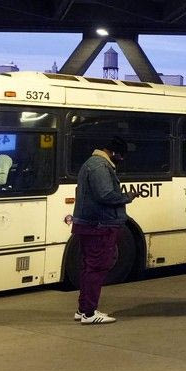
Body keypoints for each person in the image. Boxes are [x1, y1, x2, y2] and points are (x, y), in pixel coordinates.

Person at [72, 135, 131, 324]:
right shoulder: (100, 166)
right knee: (97, 267)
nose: (120, 160)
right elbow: (105, 194)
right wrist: (126, 197)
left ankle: (83, 310)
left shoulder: (92, 163)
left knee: (88, 267)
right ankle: (89, 313)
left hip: (90, 224)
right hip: (99, 225)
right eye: (120, 156)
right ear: (113, 152)